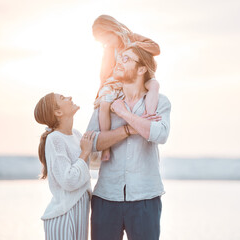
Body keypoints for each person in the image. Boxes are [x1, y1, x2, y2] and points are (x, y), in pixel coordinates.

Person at [87, 45, 171, 240]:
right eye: (120, 58)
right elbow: (91, 141)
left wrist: (124, 113)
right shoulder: (105, 102)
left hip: (145, 199)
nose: (119, 62)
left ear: (141, 69)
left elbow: (160, 134)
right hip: (106, 197)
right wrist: (129, 129)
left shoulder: (160, 102)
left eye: (126, 59)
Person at [92, 15, 161, 161]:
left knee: (154, 85)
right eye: (102, 43)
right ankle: (106, 147)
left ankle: (149, 115)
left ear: (113, 30)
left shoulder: (132, 38)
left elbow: (156, 48)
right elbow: (104, 73)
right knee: (104, 104)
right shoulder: (110, 49)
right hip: (116, 81)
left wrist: (134, 47)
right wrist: (100, 92)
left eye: (106, 40)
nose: (106, 44)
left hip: (138, 77)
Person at [34, 92, 96, 240]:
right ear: (58, 112)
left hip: (79, 213)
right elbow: (68, 180)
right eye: (63, 98)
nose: (70, 98)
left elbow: (92, 161)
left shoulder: (76, 134)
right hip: (64, 216)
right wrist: (85, 152)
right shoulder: (55, 139)